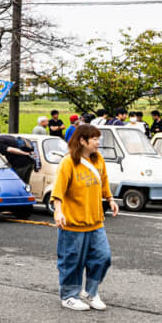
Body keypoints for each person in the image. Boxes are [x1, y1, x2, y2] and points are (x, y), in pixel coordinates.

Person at [50, 124, 118, 311]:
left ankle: (90, 292)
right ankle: (69, 296)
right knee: (72, 260)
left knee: (103, 257)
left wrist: (110, 199)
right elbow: (59, 190)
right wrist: (58, 210)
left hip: (96, 221)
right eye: (95, 139)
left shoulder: (98, 160)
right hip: (73, 223)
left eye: (98, 139)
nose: (98, 143)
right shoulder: (68, 162)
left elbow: (103, 182)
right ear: (82, 140)